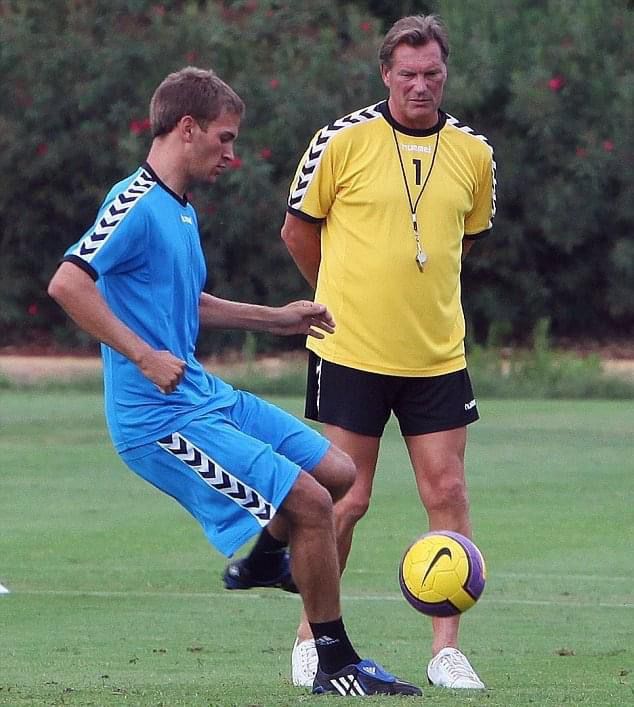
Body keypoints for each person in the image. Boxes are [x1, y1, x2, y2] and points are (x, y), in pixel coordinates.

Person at [47, 66, 422, 698]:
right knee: (310, 504)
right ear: (186, 128)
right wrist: (142, 356)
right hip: (158, 420)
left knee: (338, 474)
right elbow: (67, 283)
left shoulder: (180, 210)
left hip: (202, 395)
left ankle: (264, 560)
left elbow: (187, 302)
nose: (231, 154)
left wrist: (278, 319)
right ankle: (336, 663)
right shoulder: (133, 202)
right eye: (224, 139)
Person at [224, 15, 495, 690]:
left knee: (448, 491)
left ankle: (446, 651)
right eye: (408, 74)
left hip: (436, 356)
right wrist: (337, 301)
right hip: (350, 352)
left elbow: (464, 241)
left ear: (445, 73)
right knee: (344, 497)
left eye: (432, 73)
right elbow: (296, 231)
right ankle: (313, 638)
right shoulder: (340, 140)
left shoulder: (474, 153)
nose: (420, 85)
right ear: (385, 74)